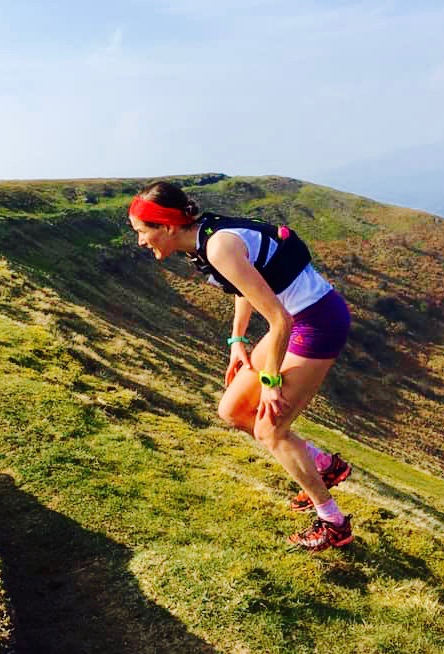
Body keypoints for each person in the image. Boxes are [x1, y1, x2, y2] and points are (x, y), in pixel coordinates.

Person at [128, 181, 354, 552]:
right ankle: (324, 466)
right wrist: (237, 341)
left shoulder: (218, 246)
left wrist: (270, 382)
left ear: (166, 226)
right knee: (231, 410)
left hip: (315, 322)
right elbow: (247, 288)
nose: (140, 242)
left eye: (143, 232)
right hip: (297, 318)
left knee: (271, 428)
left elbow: (279, 319)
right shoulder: (204, 240)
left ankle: (333, 523)